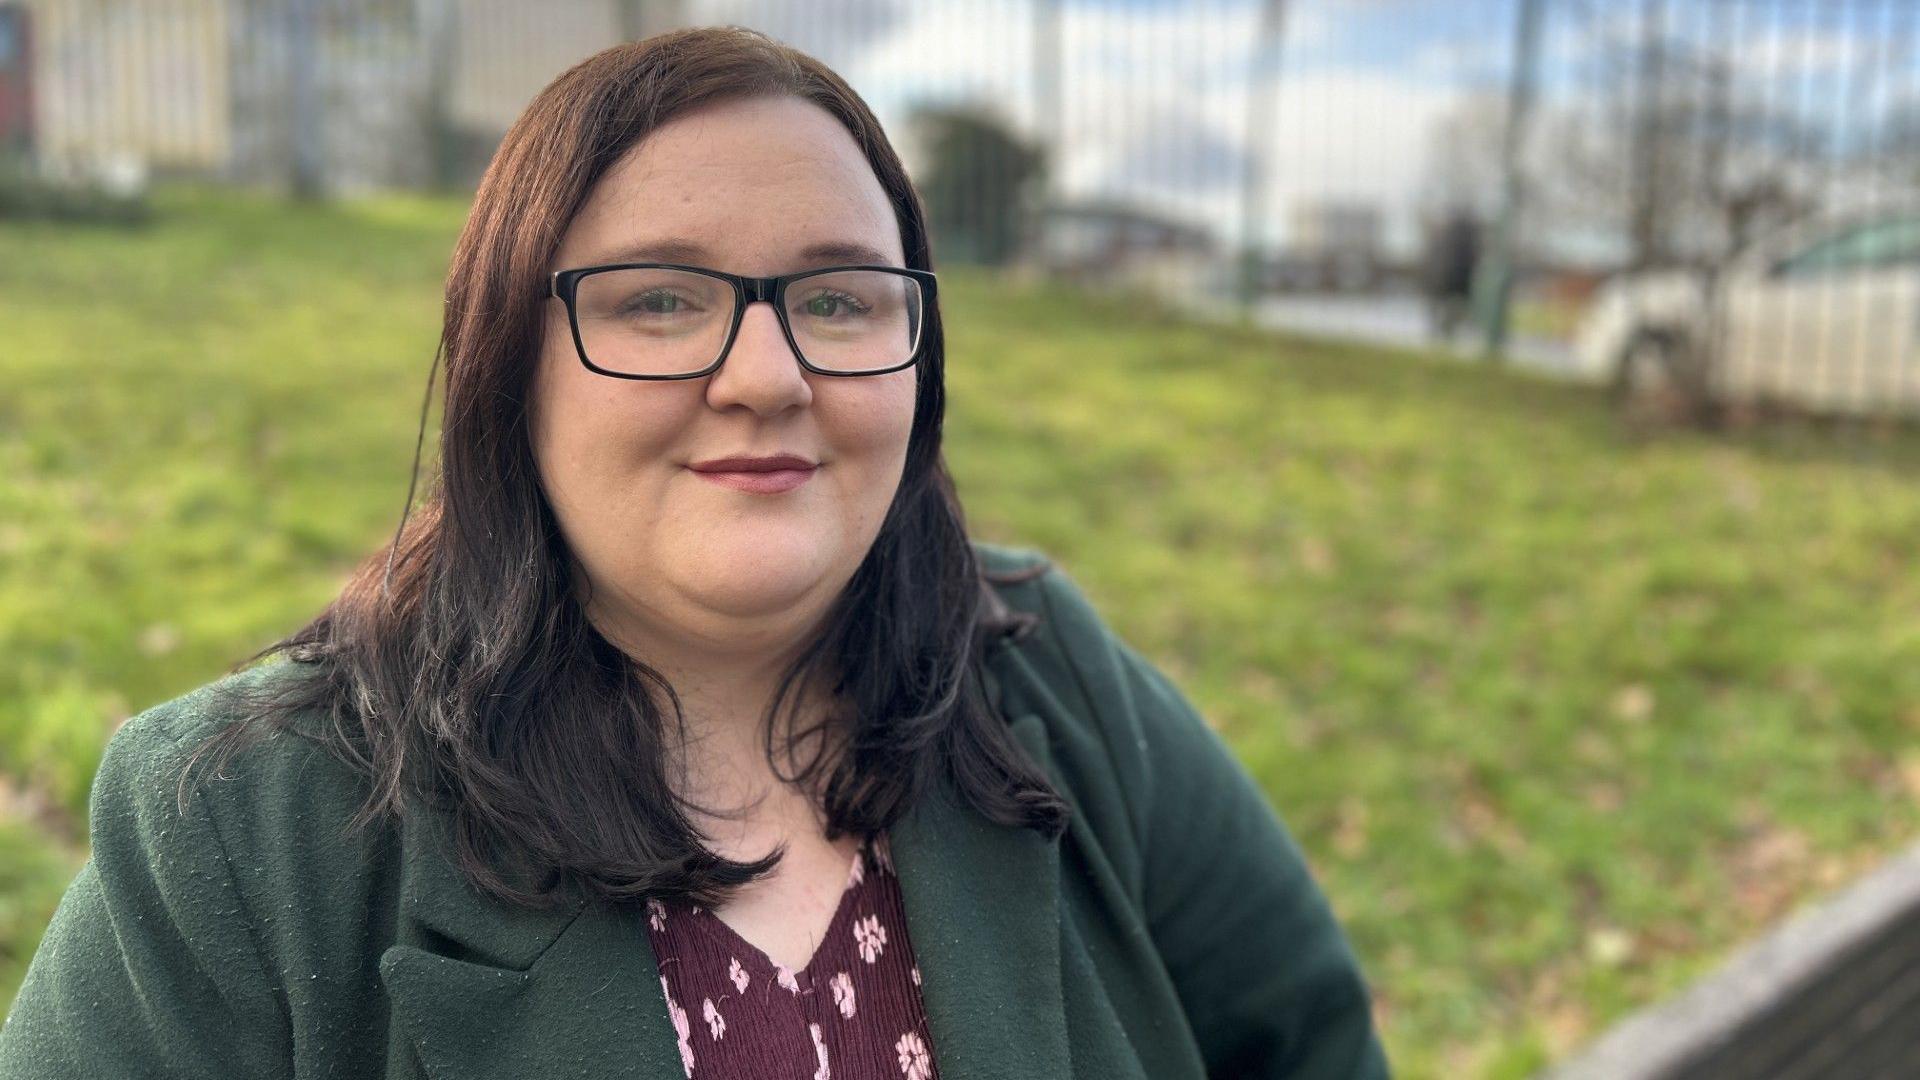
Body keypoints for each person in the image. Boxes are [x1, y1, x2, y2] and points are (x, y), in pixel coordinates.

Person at [0, 27, 1389, 1080]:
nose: (766, 375)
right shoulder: (241, 831)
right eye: (661, 300)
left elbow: (1308, 1039)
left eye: (839, 297)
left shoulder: (1048, 675)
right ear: (508, 365)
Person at [1423, 206, 1481, 345]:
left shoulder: (1444, 238)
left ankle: (1443, 330)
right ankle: (1446, 330)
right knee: (1452, 308)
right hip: (1453, 283)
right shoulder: (1465, 240)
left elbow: (1435, 261)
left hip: (1446, 282)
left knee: (1446, 308)